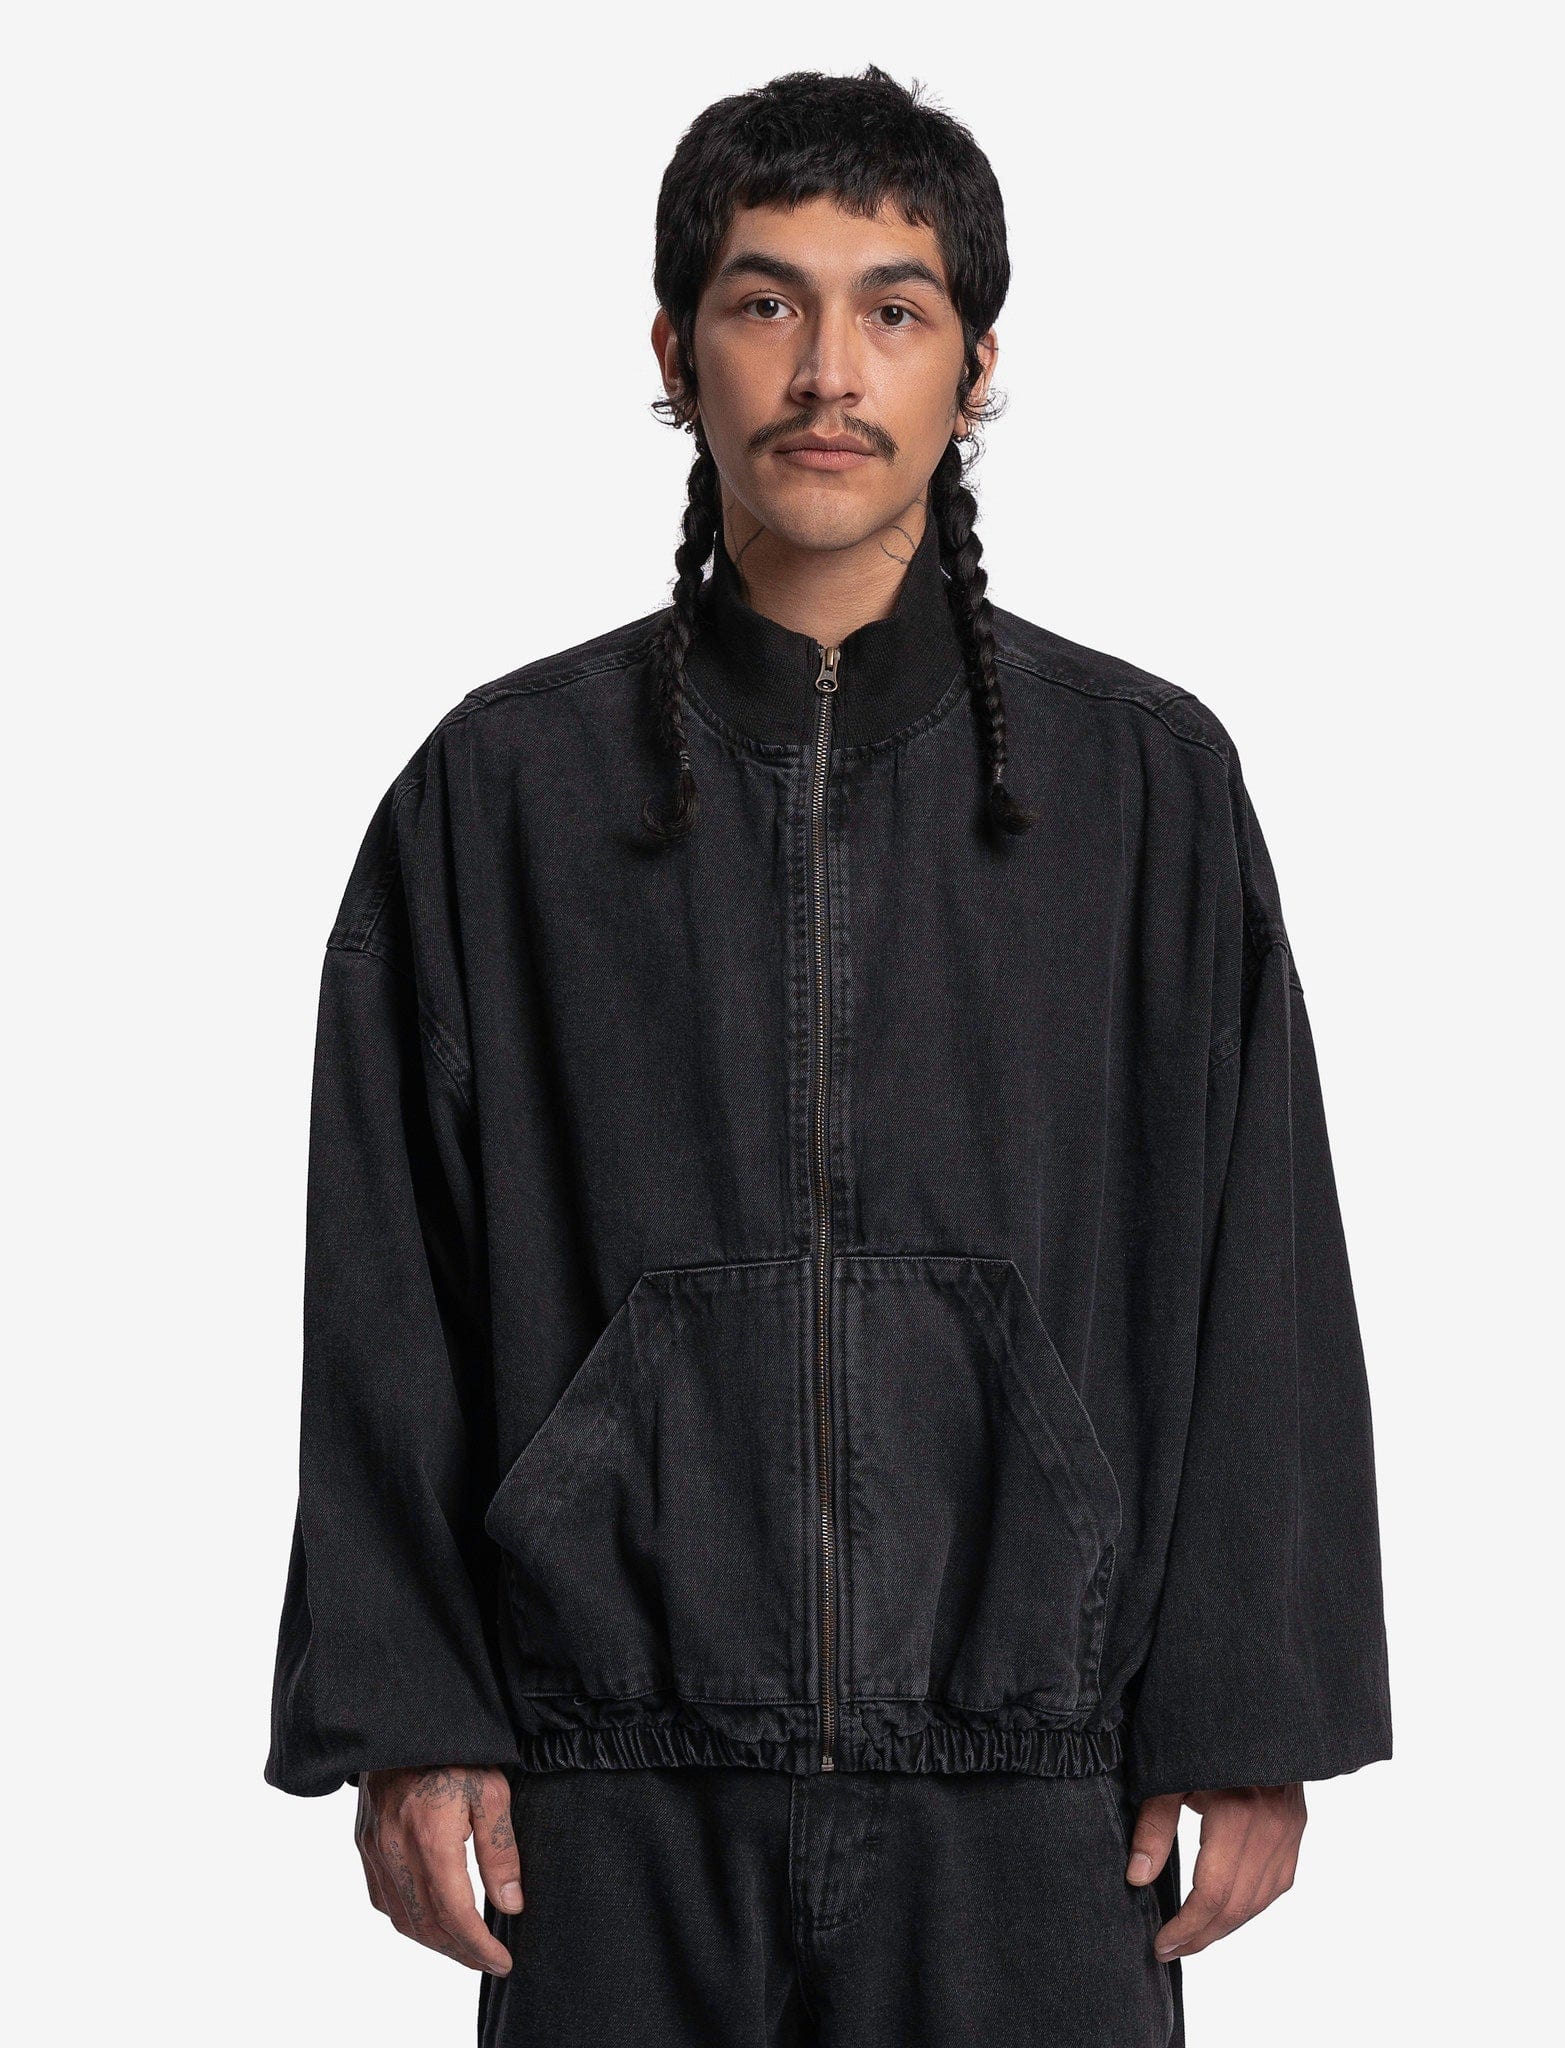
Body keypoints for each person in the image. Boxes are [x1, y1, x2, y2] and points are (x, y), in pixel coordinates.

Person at [265, 64, 1391, 2047]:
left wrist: (1247, 1703)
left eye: (895, 307)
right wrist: (410, 1708)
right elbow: (386, 1282)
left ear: (976, 366)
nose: (827, 371)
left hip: (1037, 1805)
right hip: (607, 1803)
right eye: (766, 300)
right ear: (673, 353)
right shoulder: (503, 797)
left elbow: (1258, 1255)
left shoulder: (1141, 792)